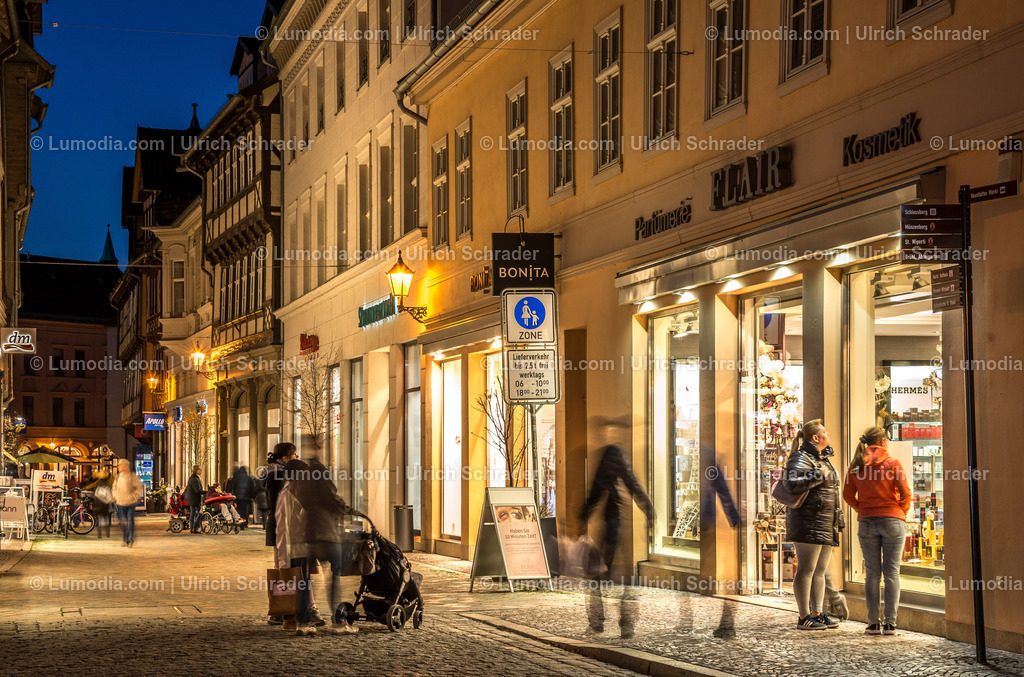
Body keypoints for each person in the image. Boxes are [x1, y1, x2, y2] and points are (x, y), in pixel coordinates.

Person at [580, 418, 654, 639]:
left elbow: (599, 489)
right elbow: (628, 483)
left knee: (602, 576)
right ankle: (624, 624)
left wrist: (583, 517)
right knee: (616, 576)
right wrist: (648, 509)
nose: (605, 433)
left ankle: (602, 623)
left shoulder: (611, 453)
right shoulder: (615, 453)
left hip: (612, 524)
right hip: (616, 523)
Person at [844, 426, 911, 636]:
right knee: (892, 573)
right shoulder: (893, 464)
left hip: (867, 522)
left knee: (872, 574)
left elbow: (847, 495)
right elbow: (906, 493)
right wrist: (900, 511)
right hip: (892, 521)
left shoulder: (855, 466)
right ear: (882, 443)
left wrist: (862, 508)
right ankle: (890, 623)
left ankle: (873, 623)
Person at [294, 434, 359, 636]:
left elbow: (300, 497)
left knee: (304, 579)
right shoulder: (319, 471)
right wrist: (347, 510)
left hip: (308, 530)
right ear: (318, 448)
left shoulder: (302, 473)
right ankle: (339, 622)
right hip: (326, 530)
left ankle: (302, 623)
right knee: (336, 574)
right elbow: (330, 498)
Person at [782, 419, 843, 631]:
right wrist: (817, 475)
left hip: (825, 522)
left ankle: (817, 613)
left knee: (819, 570)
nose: (828, 435)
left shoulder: (822, 458)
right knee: (807, 570)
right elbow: (791, 483)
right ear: (816, 437)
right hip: (808, 522)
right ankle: (803, 616)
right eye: (825, 432)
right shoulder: (801, 456)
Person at [111, 459, 145, 547]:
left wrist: (133, 497)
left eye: (120, 465)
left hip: (131, 503)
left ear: (125, 466)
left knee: (130, 521)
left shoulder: (132, 476)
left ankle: (130, 539)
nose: (118, 467)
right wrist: (116, 496)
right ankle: (124, 539)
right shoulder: (118, 477)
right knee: (122, 522)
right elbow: (114, 488)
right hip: (120, 502)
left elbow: (138, 488)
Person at [84, 470, 114, 538]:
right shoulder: (109, 482)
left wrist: (85, 488)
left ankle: (99, 534)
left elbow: (93, 486)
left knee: (99, 518)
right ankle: (107, 533)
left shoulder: (99, 482)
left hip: (99, 503)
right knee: (106, 517)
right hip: (106, 503)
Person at [185, 466, 204, 534]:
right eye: (200, 469)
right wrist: (206, 492)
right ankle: (195, 527)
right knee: (200, 513)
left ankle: (192, 528)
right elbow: (197, 491)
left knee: (192, 513)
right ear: (196, 470)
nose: (201, 470)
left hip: (191, 498)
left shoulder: (191, 478)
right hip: (195, 499)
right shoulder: (195, 479)